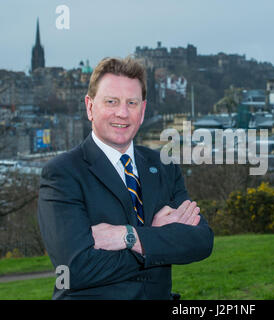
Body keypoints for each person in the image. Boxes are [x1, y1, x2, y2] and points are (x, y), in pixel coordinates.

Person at [37, 56, 214, 300]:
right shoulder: (62, 173)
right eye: (111, 102)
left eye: (132, 103)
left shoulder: (163, 166)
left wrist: (128, 236)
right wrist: (157, 238)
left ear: (142, 111)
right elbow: (74, 270)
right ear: (90, 107)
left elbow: (201, 241)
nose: (122, 113)